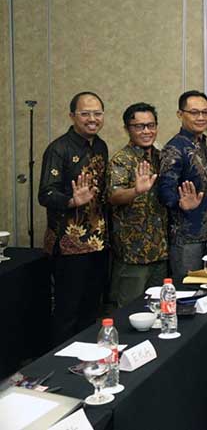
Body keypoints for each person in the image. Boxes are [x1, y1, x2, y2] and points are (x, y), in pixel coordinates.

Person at [38, 91, 109, 344]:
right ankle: (58, 369)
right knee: (67, 311)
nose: (92, 118)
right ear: (72, 116)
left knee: (92, 309)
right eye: (85, 113)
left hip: (98, 243)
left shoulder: (100, 145)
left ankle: (86, 361)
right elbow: (45, 194)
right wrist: (71, 201)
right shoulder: (59, 149)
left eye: (97, 113)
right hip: (68, 246)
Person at [107, 103, 168, 308]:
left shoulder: (161, 157)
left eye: (151, 125)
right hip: (133, 253)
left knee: (158, 309)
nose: (146, 131)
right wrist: (136, 191)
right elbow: (113, 196)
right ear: (127, 129)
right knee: (129, 311)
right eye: (139, 126)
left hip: (159, 250)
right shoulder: (121, 160)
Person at [158, 90, 207, 279]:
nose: (201, 117)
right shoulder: (174, 148)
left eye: (205, 112)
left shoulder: (202, 145)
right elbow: (164, 191)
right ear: (180, 114)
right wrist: (180, 203)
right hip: (187, 237)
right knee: (188, 291)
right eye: (194, 112)